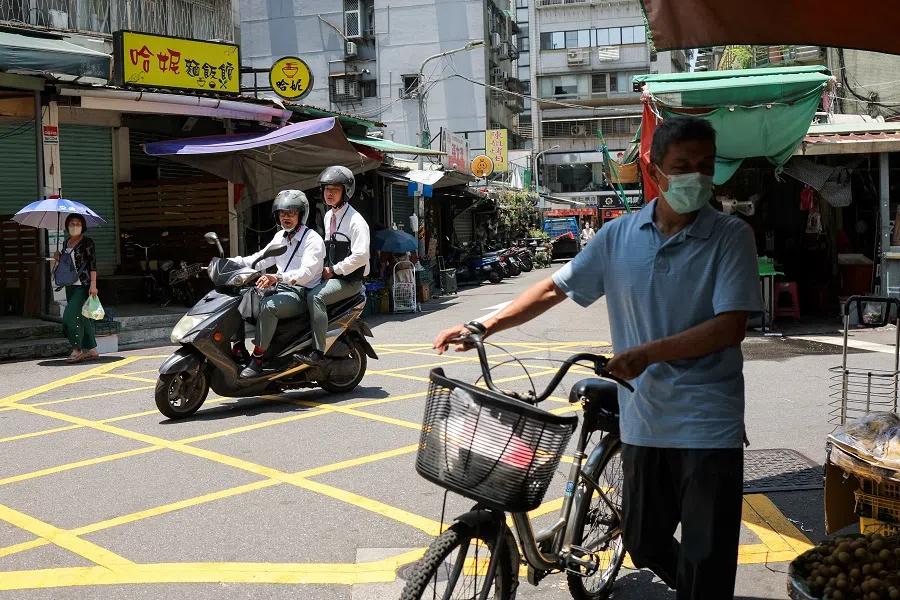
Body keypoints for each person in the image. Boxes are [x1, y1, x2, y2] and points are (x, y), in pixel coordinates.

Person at [433, 116, 763, 600]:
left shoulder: (730, 237)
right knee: (642, 540)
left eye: (706, 167)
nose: (696, 177)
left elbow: (730, 326)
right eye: (683, 166)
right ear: (654, 168)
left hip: (707, 425)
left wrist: (648, 354)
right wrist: (484, 325)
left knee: (706, 557)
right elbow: (553, 288)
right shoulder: (618, 237)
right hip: (644, 421)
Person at [234, 190, 324, 378]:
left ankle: (257, 360)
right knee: (239, 298)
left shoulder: (312, 240)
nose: (286, 217)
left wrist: (277, 277)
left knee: (269, 307)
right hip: (280, 288)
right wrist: (230, 262)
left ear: (301, 214)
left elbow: (306, 274)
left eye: (291, 213)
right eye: (282, 213)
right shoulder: (280, 237)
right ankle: (238, 348)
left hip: (301, 292)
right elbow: (259, 259)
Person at [294, 166, 370, 366]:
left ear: (346, 191)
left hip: (349, 280)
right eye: (327, 189)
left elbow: (361, 256)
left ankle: (318, 352)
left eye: (335, 189)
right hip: (332, 275)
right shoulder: (329, 216)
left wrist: (334, 270)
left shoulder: (356, 221)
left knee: (315, 296)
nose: (329, 193)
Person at [54, 214, 100, 362]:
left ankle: (77, 349)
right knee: (82, 317)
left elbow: (92, 265)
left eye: (78, 223)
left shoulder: (87, 242)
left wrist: (93, 285)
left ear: (83, 225)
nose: (74, 226)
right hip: (70, 285)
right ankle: (92, 350)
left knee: (70, 316)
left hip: (83, 285)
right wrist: (59, 258)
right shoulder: (66, 242)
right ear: (67, 226)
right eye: (72, 223)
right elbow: (69, 264)